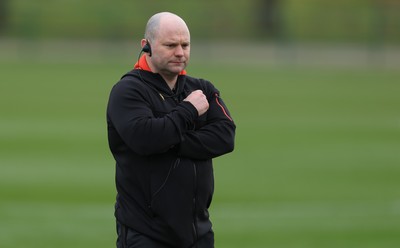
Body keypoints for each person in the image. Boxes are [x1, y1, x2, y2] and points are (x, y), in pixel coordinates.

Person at [106, 12, 236, 248]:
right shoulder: (128, 91)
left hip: (198, 231)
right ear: (146, 46)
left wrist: (168, 140)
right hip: (146, 233)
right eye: (170, 45)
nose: (180, 52)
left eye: (185, 45)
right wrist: (188, 111)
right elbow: (145, 139)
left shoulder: (201, 88)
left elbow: (225, 137)